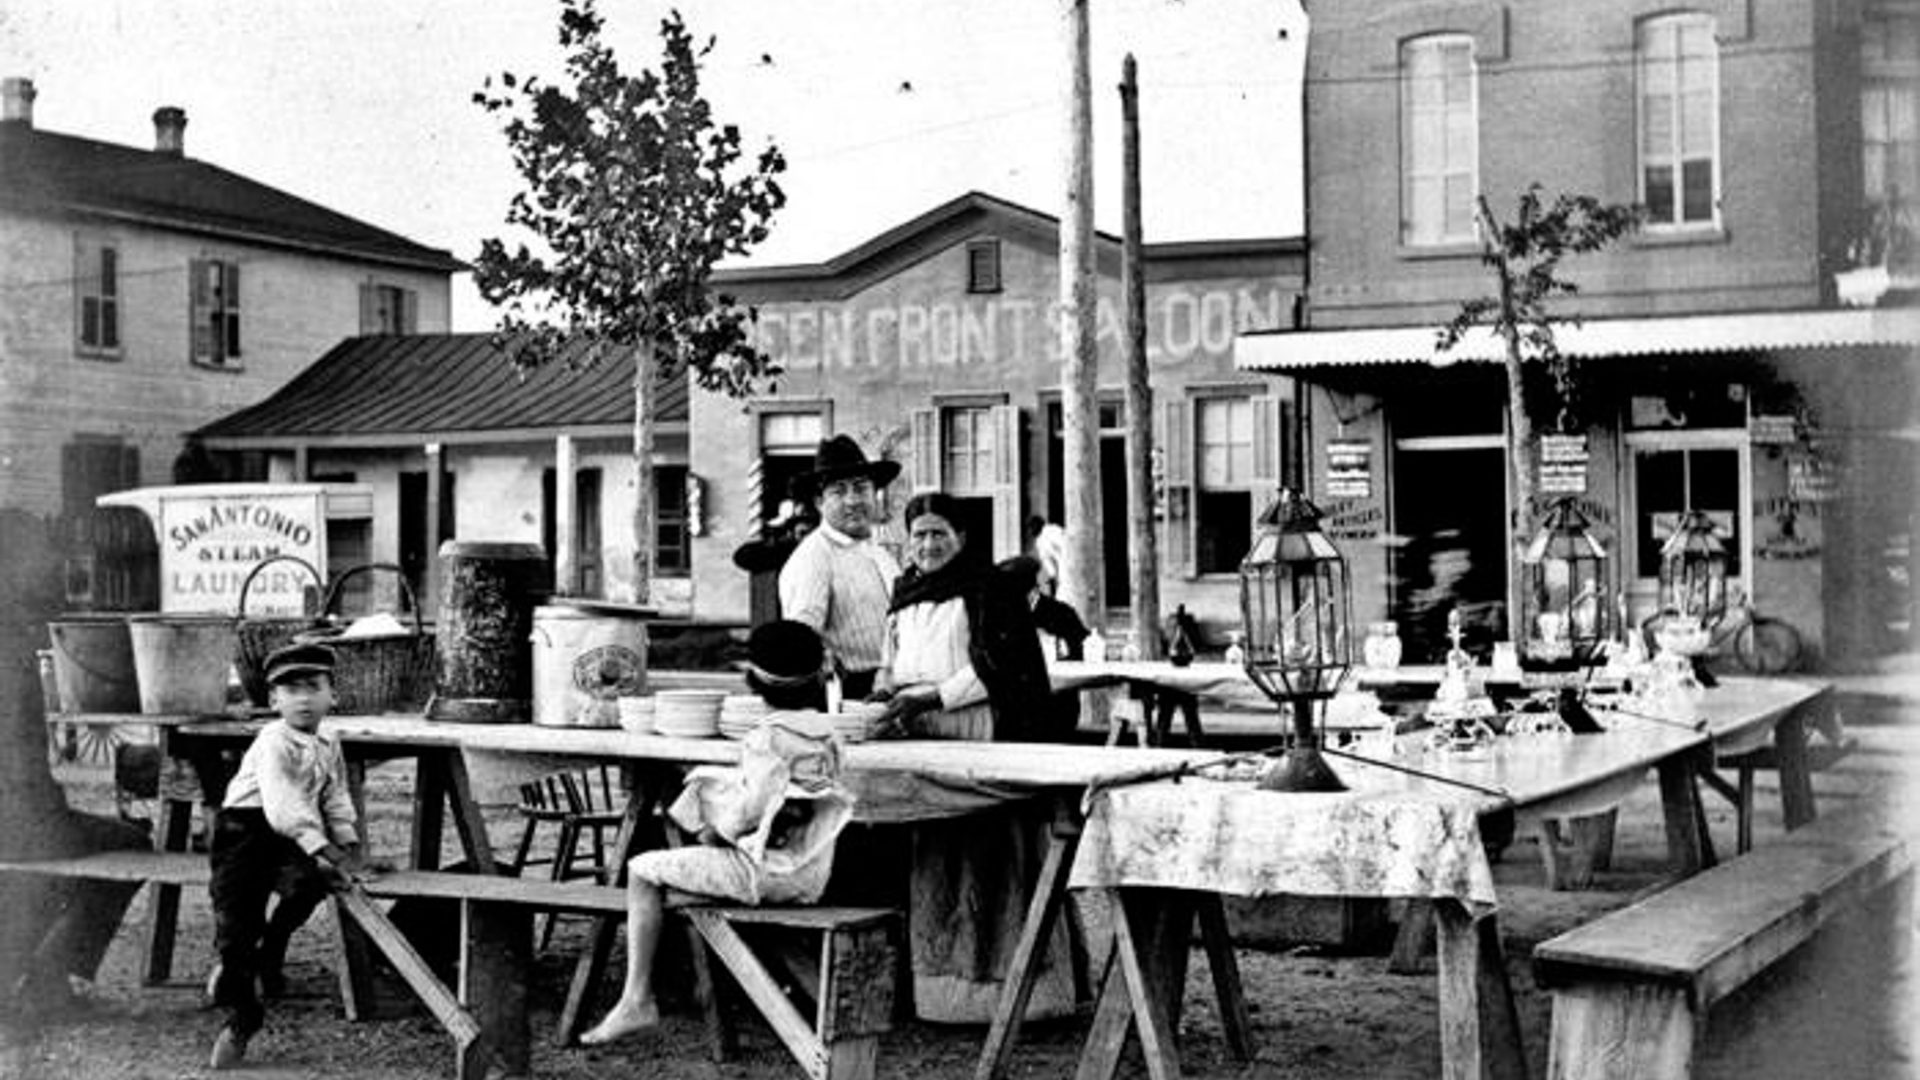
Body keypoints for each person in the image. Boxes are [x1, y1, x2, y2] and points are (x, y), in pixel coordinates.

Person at [579, 620, 854, 1046]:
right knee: (677, 879)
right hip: (812, 874)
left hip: (762, 875)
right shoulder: (829, 732)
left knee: (641, 870)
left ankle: (637, 998)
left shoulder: (767, 737)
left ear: (753, 681)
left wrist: (713, 832)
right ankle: (685, 977)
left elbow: (750, 810)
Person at [869, 492, 1076, 1024]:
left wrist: (934, 696)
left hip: (977, 735)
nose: (928, 545)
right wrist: (883, 693)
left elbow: (1001, 667)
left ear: (961, 538)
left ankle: (1013, 997)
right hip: (921, 737)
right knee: (937, 856)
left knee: (988, 857)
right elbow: (890, 662)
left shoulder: (990, 590)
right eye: (919, 535)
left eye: (939, 533)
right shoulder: (904, 593)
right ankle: (940, 995)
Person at [206, 643, 376, 1070]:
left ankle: (272, 947)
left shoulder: (328, 740)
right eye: (290, 690)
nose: (303, 698)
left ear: (331, 695)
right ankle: (241, 1018)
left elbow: (334, 795)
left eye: (313, 687)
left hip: (285, 837)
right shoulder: (272, 741)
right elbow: (285, 807)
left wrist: (348, 844)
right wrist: (325, 849)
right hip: (243, 833)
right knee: (236, 923)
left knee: (311, 884)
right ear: (273, 701)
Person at [779, 435, 903, 698]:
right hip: (850, 695)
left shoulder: (881, 552)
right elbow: (802, 636)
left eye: (861, 488)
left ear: (874, 494)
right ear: (819, 502)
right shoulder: (813, 558)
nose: (852, 500)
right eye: (838, 491)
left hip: (896, 687)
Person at [1027, 515, 1068, 597]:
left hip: (1069, 566)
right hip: (1063, 574)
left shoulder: (1051, 530)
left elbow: (1067, 546)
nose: (1029, 532)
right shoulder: (1039, 542)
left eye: (1030, 528)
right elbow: (1049, 567)